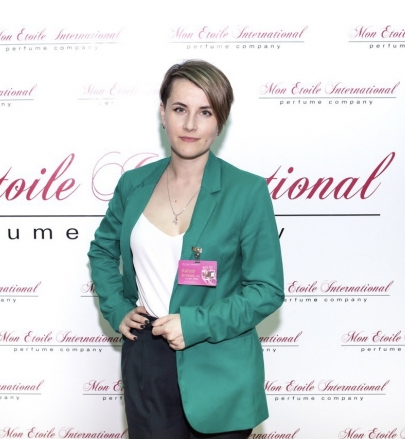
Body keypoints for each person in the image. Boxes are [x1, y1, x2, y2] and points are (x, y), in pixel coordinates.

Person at [88, 60, 284, 439]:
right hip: (147, 362)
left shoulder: (247, 191)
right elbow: (102, 251)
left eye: (205, 112)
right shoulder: (133, 184)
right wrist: (115, 307)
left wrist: (195, 324)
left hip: (220, 365)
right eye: (180, 109)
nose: (191, 124)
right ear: (163, 113)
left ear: (220, 122)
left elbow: (267, 290)